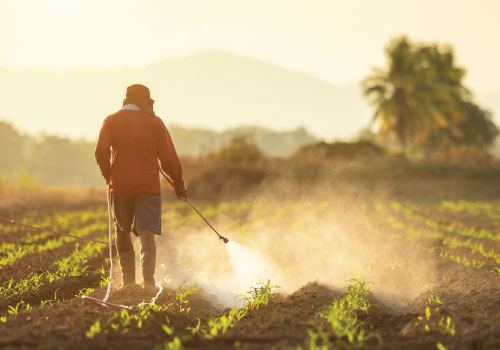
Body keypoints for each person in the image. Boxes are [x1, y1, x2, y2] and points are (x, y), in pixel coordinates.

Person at [94, 84, 187, 293]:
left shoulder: (111, 120)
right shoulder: (155, 122)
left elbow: (100, 151)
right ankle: (149, 283)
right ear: (145, 101)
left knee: (122, 230)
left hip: (120, 185)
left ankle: (128, 282)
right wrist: (179, 185)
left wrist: (109, 176)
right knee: (147, 234)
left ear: (126, 99)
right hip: (148, 185)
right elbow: (169, 159)